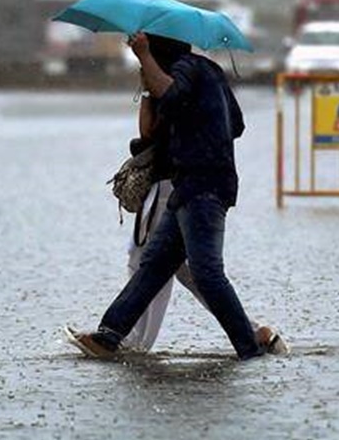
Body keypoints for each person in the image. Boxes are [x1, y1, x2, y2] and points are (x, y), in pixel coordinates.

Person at [68, 32, 273, 360]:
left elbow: (173, 94)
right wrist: (196, 119)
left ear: (159, 50)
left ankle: (250, 347)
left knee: (206, 273)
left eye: (150, 50)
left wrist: (144, 57)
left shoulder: (187, 70)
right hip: (190, 185)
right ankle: (108, 336)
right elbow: (235, 124)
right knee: (153, 265)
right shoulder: (208, 73)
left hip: (204, 186)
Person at [120, 90, 287, 354]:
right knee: (179, 266)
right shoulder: (193, 83)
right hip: (181, 183)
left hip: (170, 184)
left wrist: (146, 91)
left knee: (150, 260)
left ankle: (130, 340)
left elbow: (148, 132)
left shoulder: (168, 82)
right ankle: (253, 332)